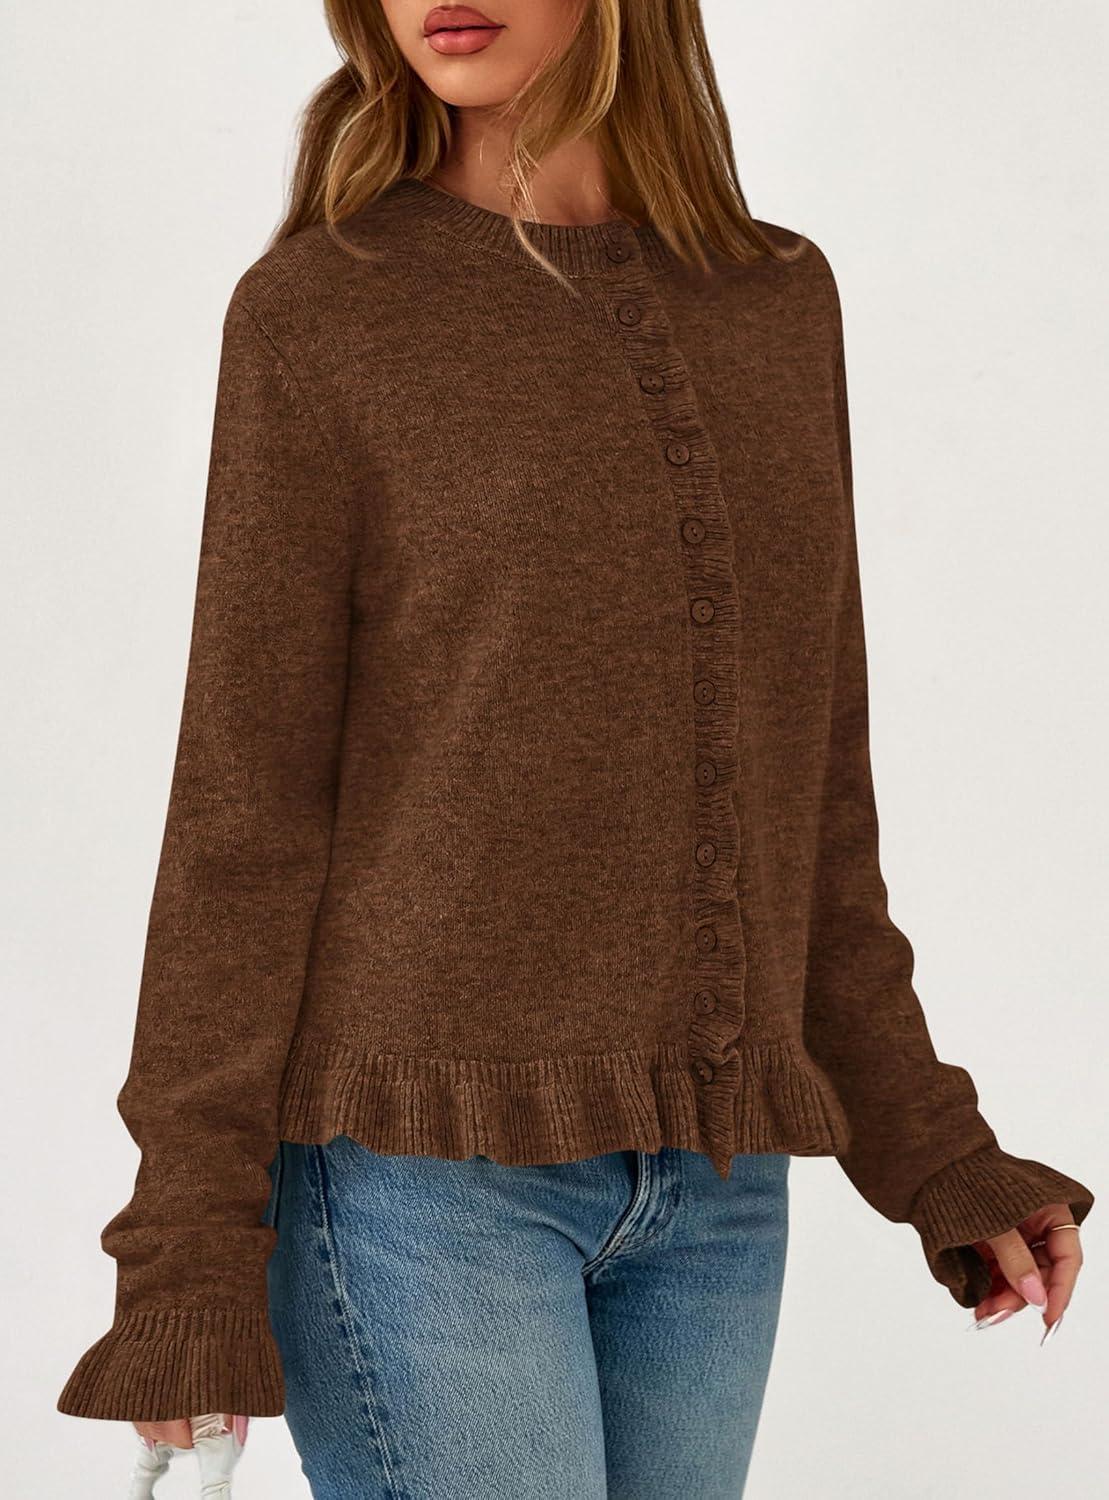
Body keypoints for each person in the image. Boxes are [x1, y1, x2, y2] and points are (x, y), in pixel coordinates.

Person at [58, 2, 1094, 1496]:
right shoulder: (324, 310)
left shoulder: (775, 299)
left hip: (718, 1186)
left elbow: (808, 792)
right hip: (416, 1183)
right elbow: (245, 817)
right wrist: (186, 1258)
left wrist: (934, 1148)